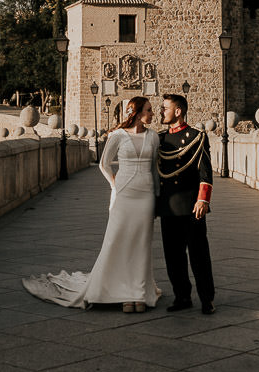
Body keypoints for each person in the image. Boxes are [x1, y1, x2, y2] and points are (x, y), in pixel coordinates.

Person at [22, 95, 160, 311]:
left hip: (146, 194)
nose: (153, 113)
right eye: (150, 110)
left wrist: (157, 196)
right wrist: (115, 184)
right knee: (119, 241)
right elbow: (104, 164)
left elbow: (154, 169)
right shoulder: (118, 135)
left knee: (142, 244)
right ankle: (123, 292)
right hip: (124, 194)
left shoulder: (153, 137)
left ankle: (139, 293)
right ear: (138, 112)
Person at [156, 93, 215, 314]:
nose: (161, 111)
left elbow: (205, 172)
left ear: (178, 111)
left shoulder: (196, 137)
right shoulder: (160, 140)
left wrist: (203, 200)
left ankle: (207, 298)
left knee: (199, 254)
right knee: (173, 256)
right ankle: (182, 296)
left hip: (192, 206)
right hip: (168, 206)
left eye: (165, 108)